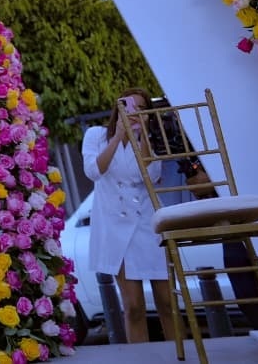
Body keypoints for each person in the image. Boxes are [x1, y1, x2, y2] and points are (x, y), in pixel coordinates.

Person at [81, 87, 176, 343]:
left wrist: (142, 133)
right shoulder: (97, 135)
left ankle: (180, 352)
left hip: (148, 222)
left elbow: (152, 174)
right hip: (116, 227)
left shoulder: (151, 139)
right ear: (118, 108)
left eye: (141, 109)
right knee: (134, 306)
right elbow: (93, 171)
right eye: (129, 106)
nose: (134, 113)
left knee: (167, 303)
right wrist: (118, 137)